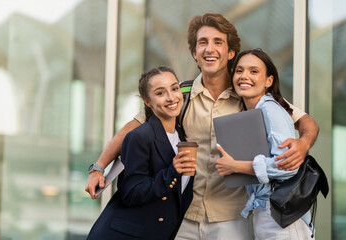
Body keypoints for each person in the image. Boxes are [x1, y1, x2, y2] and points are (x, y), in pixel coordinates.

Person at [85, 13, 319, 240]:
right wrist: (99, 167)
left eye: (218, 42)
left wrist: (303, 143)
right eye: (202, 42)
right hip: (182, 216)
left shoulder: (250, 93)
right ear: (194, 53)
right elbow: (131, 128)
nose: (209, 48)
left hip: (232, 219)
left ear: (230, 53)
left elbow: (306, 122)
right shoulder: (179, 95)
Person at [215, 49, 314, 239]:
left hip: (283, 215)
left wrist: (235, 166)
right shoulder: (255, 112)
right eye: (239, 71)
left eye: (254, 71)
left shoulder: (270, 108)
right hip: (269, 212)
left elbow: (288, 166)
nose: (244, 76)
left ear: (269, 81)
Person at [87, 66, 195, 240]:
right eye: (160, 93)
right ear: (147, 102)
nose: (171, 97)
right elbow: (131, 193)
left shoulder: (181, 136)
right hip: (124, 235)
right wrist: (172, 171)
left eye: (174, 88)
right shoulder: (140, 136)